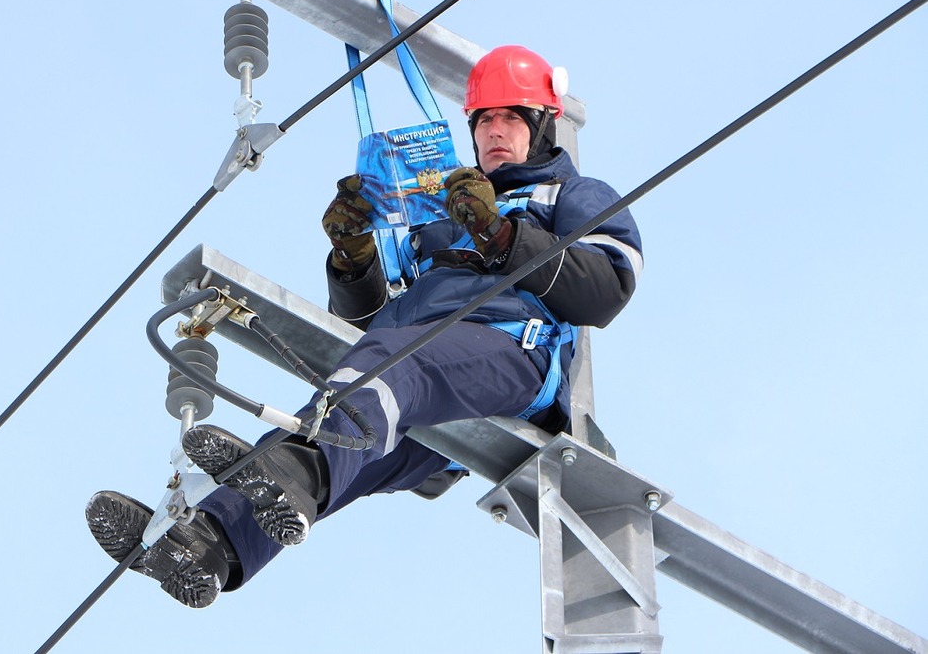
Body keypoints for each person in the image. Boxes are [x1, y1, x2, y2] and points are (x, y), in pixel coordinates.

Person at [85, 44, 643, 608]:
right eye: (485, 119)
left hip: (512, 355)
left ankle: (300, 470)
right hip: (424, 382)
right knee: (329, 423)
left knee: (368, 397)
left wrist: (501, 235)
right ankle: (211, 545)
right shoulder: (438, 216)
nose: (496, 131)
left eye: (511, 118)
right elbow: (367, 334)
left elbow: (605, 289)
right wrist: (353, 261)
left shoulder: (574, 194)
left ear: (542, 125)